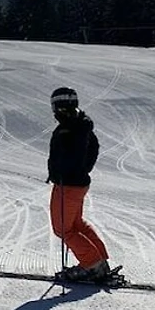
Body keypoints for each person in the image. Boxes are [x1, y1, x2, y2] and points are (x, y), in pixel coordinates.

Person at [47, 86, 112, 282]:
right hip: (77, 183)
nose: (54, 112)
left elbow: (74, 155)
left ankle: (91, 264)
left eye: (55, 107)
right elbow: (93, 148)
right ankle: (99, 261)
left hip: (68, 185)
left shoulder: (70, 128)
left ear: (60, 106)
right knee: (76, 224)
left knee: (63, 229)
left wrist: (66, 172)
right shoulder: (81, 124)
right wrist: (83, 169)